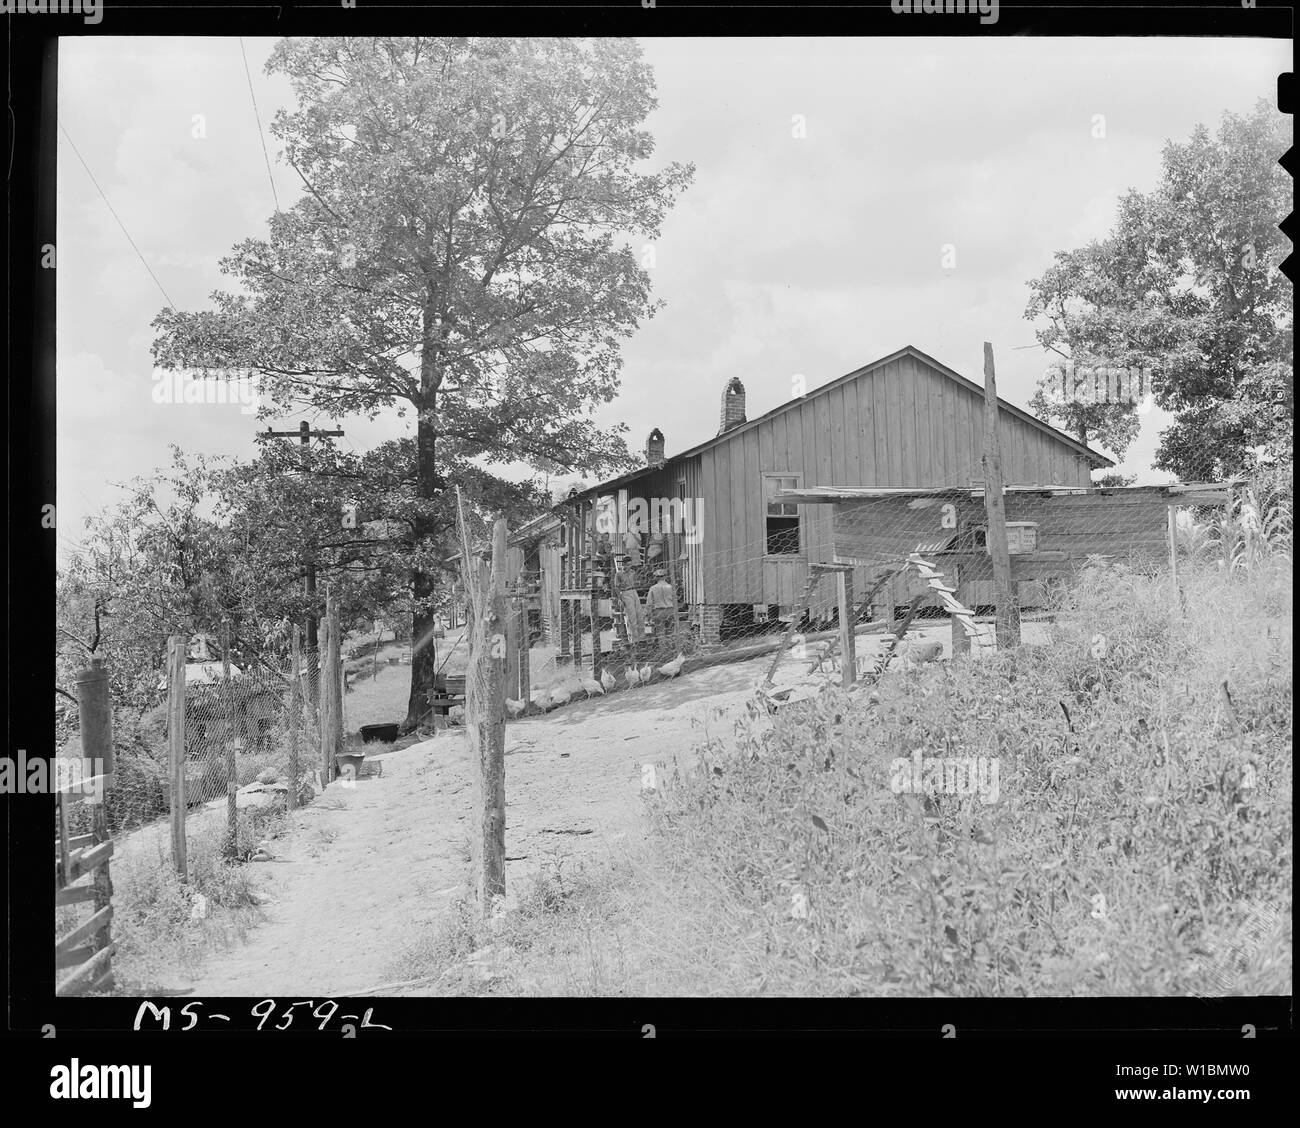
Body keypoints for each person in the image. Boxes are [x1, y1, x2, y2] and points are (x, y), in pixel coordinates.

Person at [646, 568, 677, 652]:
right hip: (670, 610)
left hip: (659, 612)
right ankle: (671, 650)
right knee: (670, 632)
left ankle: (663, 651)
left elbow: (649, 604)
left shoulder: (653, 588)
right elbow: (675, 601)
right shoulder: (670, 587)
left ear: (656, 577)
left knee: (660, 633)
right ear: (665, 577)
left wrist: (649, 616)